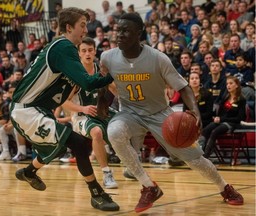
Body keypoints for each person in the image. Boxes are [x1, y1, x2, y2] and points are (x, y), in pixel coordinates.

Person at [100, 13, 244, 213]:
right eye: (118, 30)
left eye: (126, 31)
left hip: (160, 113)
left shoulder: (158, 58)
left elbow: (183, 88)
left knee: (194, 159)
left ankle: (224, 187)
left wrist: (195, 113)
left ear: (139, 33)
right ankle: (149, 187)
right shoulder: (107, 57)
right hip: (129, 112)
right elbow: (104, 87)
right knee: (114, 132)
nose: (119, 35)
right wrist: (102, 107)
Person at [10, 7, 119, 212]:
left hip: (38, 109)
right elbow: (87, 83)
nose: (85, 30)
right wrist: (114, 73)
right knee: (77, 143)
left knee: (58, 145)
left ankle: (29, 172)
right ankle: (96, 193)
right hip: (26, 110)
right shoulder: (64, 47)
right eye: (82, 26)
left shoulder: (64, 51)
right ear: (68, 28)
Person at [62, 37, 118, 189]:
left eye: (90, 50)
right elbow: (63, 101)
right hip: (81, 116)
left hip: (101, 110)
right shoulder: (74, 74)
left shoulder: (101, 70)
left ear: (95, 52)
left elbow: (114, 89)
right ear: (79, 53)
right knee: (97, 132)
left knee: (126, 123)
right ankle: (107, 174)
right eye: (84, 51)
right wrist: (83, 109)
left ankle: (131, 166)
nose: (87, 53)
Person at [201, 76, 247, 158]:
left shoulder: (241, 100)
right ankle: (200, 152)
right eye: (227, 84)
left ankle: (205, 156)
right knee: (206, 129)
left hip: (233, 123)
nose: (228, 85)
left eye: (231, 83)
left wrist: (221, 119)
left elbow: (240, 118)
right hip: (222, 122)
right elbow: (220, 114)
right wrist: (216, 117)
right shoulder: (225, 98)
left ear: (236, 85)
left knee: (215, 131)